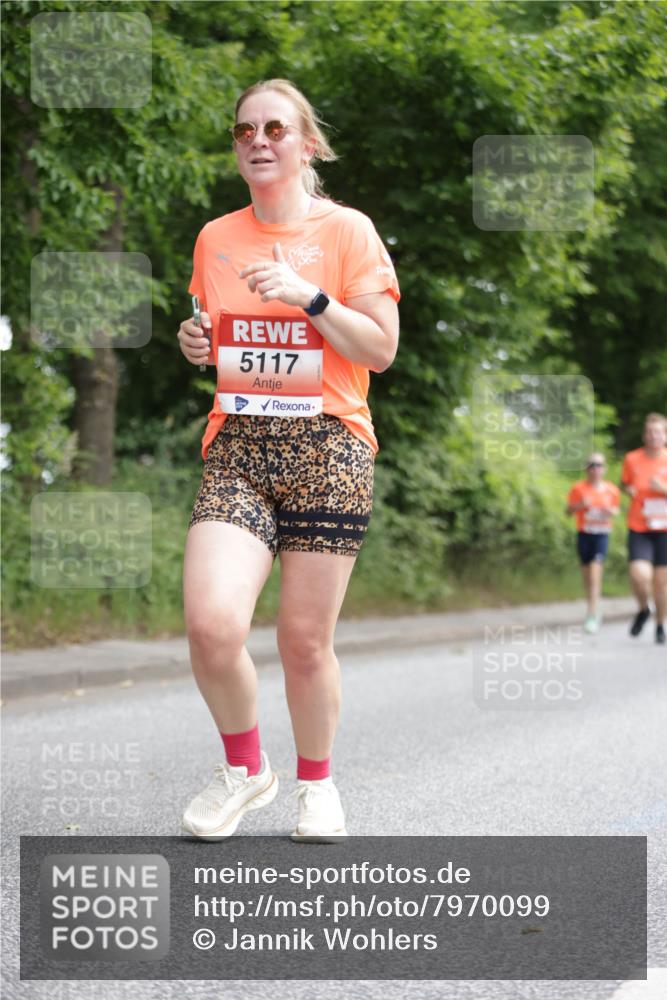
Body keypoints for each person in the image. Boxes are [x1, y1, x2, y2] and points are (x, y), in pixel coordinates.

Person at [176, 79, 400, 841]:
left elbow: (381, 349)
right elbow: (219, 336)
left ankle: (316, 784)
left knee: (303, 640)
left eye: (275, 128)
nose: (258, 141)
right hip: (238, 443)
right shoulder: (216, 238)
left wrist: (311, 296)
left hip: (328, 445)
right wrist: (196, 342)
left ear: (307, 144)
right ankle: (245, 770)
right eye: (244, 131)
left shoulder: (347, 233)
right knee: (211, 625)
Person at [620, 413, 667, 644]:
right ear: (644, 436)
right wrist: (628, 489)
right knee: (639, 576)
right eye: (649, 432)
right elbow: (626, 482)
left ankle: (660, 625)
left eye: (658, 432)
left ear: (665, 436)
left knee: (661, 584)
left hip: (665, 530)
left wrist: (663, 489)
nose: (653, 436)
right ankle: (643, 608)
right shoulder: (632, 459)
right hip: (640, 526)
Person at [566, 453, 620, 633]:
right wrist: (580, 505)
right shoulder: (578, 488)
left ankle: (591, 614)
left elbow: (615, 509)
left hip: (602, 534)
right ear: (586, 468)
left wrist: (610, 512)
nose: (595, 469)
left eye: (598, 465)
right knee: (587, 575)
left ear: (604, 469)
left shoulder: (611, 490)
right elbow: (568, 511)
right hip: (584, 534)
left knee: (596, 572)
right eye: (591, 465)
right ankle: (594, 606)